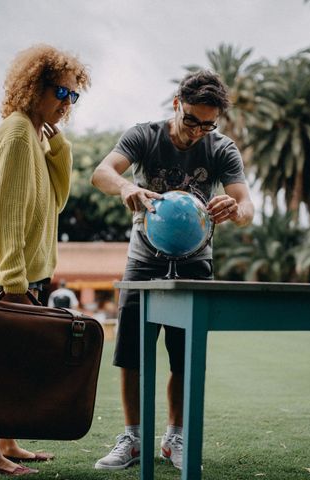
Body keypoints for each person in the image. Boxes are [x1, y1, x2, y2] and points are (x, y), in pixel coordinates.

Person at [91, 70, 254, 471]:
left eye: (208, 124)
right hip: (143, 260)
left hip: (195, 265)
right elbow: (102, 173)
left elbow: (248, 206)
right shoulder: (144, 136)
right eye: (192, 120)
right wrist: (127, 187)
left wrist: (235, 210)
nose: (199, 131)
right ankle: (133, 438)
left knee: (185, 358)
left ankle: (175, 438)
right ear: (176, 104)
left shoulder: (221, 148)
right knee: (131, 355)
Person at [0, 44, 90, 476]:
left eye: (74, 96)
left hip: (21, 270)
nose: (67, 103)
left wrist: (60, 153)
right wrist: (13, 282)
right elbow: (8, 215)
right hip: (7, 271)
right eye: (61, 92)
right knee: (1, 360)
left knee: (14, 358)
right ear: (33, 87)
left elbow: (54, 202)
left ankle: (9, 443)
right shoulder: (18, 134)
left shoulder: (35, 136)